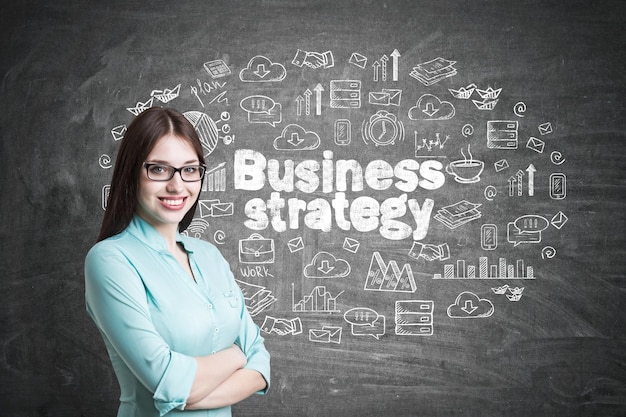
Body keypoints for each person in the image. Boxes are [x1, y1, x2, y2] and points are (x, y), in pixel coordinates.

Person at [85, 107, 270, 416]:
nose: (177, 185)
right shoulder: (109, 261)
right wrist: (238, 356)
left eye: (189, 169)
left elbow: (261, 363)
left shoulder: (210, 257)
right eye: (158, 169)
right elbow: (166, 381)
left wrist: (189, 394)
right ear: (132, 173)